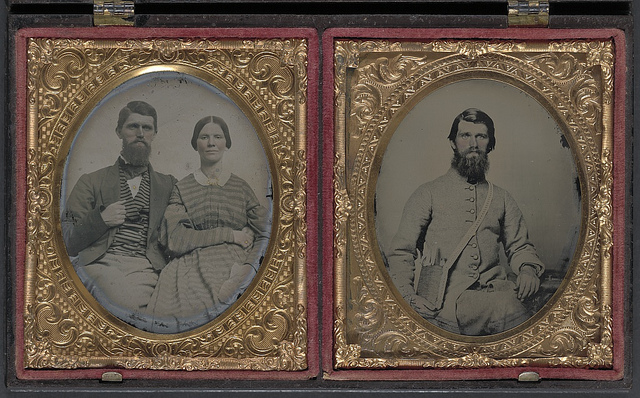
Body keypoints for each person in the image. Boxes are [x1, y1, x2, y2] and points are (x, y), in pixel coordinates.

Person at [387, 108, 544, 336]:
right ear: (452, 142)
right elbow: (401, 253)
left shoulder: (502, 198)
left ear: (490, 144)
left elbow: (520, 246)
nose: (473, 143)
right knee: (509, 311)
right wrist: (409, 298)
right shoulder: (427, 193)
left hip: (499, 290)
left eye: (481, 136)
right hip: (450, 303)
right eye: (465, 136)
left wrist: (528, 269)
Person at [146, 115, 270, 333]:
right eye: (204, 137)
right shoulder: (182, 188)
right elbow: (175, 239)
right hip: (189, 267)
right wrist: (229, 234)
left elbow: (267, 233)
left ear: (226, 143)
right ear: (196, 144)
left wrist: (248, 267)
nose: (211, 143)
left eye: (218, 137)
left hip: (235, 265)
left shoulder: (241, 187)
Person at [62, 101, 177, 320]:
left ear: (154, 133)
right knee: (125, 301)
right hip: (101, 262)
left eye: (147, 128)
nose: (140, 133)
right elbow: (67, 240)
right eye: (133, 127)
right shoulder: (91, 182)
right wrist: (100, 219)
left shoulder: (169, 185)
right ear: (119, 132)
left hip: (146, 267)